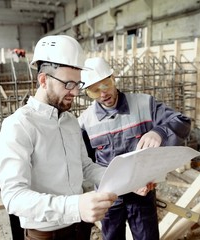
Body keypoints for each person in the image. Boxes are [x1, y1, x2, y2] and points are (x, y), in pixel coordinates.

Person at [0, 35, 118, 240]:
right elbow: (13, 196)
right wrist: (75, 206)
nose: (75, 92)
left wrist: (125, 178)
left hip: (80, 228)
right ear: (43, 80)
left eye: (78, 84)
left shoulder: (70, 121)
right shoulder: (19, 126)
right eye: (68, 84)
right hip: (46, 235)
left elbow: (85, 166)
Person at [78, 57, 191, 240]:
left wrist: (159, 132)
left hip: (143, 192)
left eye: (106, 85)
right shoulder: (85, 122)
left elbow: (182, 122)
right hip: (109, 197)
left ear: (113, 78)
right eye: (94, 91)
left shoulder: (144, 104)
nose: (102, 94)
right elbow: (87, 163)